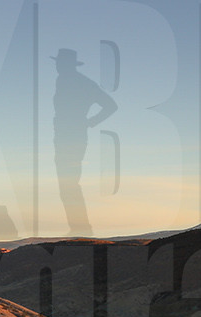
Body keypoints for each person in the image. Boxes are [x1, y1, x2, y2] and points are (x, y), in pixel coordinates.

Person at [53, 48, 117, 237]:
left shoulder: (82, 83)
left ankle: (81, 229)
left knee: (69, 182)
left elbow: (111, 105)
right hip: (64, 136)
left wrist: (90, 122)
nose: (57, 66)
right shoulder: (63, 81)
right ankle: (78, 228)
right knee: (67, 183)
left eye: (60, 62)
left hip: (73, 137)